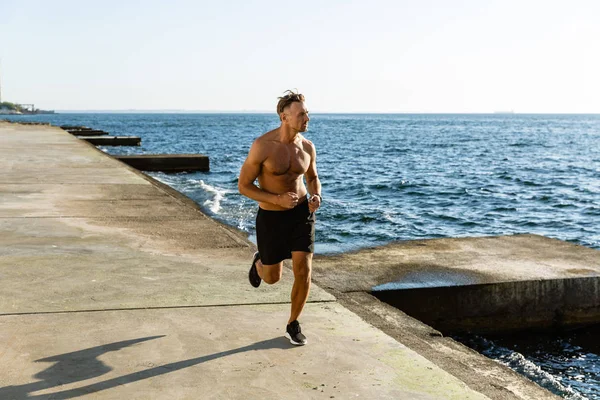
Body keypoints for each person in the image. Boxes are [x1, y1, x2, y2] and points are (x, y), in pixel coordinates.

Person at [238, 90, 321, 346]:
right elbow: (243, 185)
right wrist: (276, 199)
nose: (306, 118)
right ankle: (260, 262)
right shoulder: (263, 146)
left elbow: (312, 178)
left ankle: (293, 323)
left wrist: (316, 196)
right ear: (284, 117)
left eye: (306, 113)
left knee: (303, 270)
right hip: (272, 217)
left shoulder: (307, 147)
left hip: (301, 215)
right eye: (301, 114)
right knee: (273, 278)